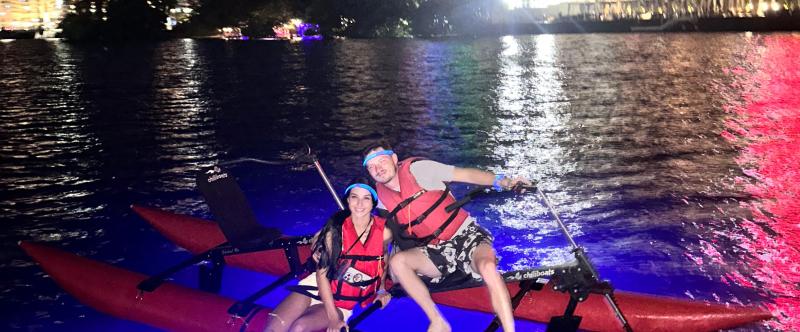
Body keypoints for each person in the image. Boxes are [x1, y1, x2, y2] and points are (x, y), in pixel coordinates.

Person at [362, 142, 530, 332]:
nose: (378, 169)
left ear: (394, 159)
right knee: (397, 262)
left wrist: (504, 181)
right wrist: (381, 288)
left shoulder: (419, 170)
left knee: (488, 267)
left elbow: (466, 174)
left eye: (382, 161)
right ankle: (438, 322)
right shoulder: (380, 199)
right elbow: (383, 244)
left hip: (466, 235)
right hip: (434, 249)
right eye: (371, 166)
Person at [264, 178, 393, 332]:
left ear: (373, 203)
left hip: (341, 302)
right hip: (315, 287)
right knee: (273, 329)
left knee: (299, 328)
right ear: (348, 200)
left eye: (366, 198)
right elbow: (322, 275)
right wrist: (333, 319)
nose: (359, 203)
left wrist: (381, 289)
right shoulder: (335, 231)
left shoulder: (384, 233)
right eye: (354, 197)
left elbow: (383, 259)